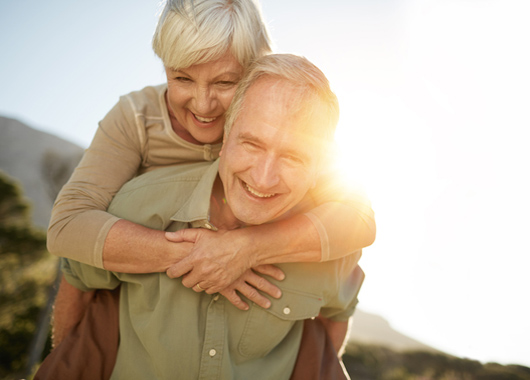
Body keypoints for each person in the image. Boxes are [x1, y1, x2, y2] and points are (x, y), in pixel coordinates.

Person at [47, 0, 375, 347]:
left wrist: (248, 249)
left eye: (225, 82)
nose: (203, 105)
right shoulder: (136, 119)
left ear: (255, 71)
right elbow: (68, 226)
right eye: (182, 78)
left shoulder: (286, 129)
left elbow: (359, 219)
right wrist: (203, 257)